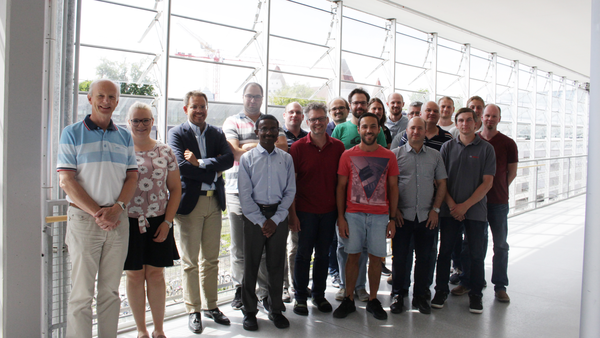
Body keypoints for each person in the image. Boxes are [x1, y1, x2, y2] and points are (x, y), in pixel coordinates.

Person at [57, 79, 138, 338]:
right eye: (101, 96)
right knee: (81, 294)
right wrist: (99, 213)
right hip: (85, 220)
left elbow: (132, 177)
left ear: (117, 101)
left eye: (112, 96)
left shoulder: (125, 136)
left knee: (110, 292)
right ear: (90, 99)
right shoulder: (72, 133)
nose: (106, 101)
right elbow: (66, 180)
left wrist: (118, 208)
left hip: (118, 220)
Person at [168, 91, 234, 334]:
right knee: (190, 262)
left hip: (214, 202)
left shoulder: (216, 133)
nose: (199, 110)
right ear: (186, 109)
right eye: (194, 106)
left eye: (203, 106)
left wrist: (201, 163)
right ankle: (193, 310)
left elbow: (228, 159)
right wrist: (209, 168)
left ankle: (211, 306)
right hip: (189, 205)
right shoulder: (177, 133)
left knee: (211, 259)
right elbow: (182, 167)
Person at [223, 82, 288, 311]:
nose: (253, 100)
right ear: (243, 97)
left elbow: (282, 147)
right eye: (249, 96)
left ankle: (264, 294)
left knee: (264, 252)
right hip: (236, 192)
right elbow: (235, 153)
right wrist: (250, 147)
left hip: (269, 198)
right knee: (241, 249)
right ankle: (242, 290)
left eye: (257, 96)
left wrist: (246, 145)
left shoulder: (270, 121)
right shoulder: (232, 121)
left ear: (262, 98)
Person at [332, 112, 399, 320]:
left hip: (380, 216)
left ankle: (372, 300)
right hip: (353, 215)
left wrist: (392, 219)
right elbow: (341, 187)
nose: (369, 130)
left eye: (373, 126)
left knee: (376, 259)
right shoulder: (347, 155)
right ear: (358, 129)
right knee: (352, 257)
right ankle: (349, 298)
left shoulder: (389, 155)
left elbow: (393, 187)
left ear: (379, 129)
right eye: (364, 127)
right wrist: (341, 217)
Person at [123, 102, 181, 338]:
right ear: (128, 123)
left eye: (145, 120)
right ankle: (141, 330)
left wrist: (167, 223)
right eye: (136, 120)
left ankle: (158, 330)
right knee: (134, 274)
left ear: (152, 121)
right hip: (128, 221)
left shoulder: (165, 151)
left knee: (156, 275)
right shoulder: (121, 151)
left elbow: (175, 189)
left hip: (159, 221)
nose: (141, 125)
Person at [431, 107, 496, 314]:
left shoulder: (486, 149)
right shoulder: (448, 148)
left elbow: (487, 183)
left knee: (476, 254)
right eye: (461, 120)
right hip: (450, 210)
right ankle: (440, 290)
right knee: (445, 252)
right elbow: (440, 181)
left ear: (476, 123)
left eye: (469, 120)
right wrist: (452, 205)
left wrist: (465, 206)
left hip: (475, 211)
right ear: (456, 123)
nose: (465, 124)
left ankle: (476, 294)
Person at [238, 114, 296, 331]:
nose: (269, 133)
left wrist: (277, 218)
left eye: (273, 129)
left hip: (278, 216)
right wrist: (262, 221)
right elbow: (244, 195)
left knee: (276, 265)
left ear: (278, 131)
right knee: (251, 265)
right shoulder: (248, 158)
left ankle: (275, 309)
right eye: (264, 129)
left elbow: (290, 191)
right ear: (257, 132)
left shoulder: (286, 158)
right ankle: (249, 311)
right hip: (254, 217)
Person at [288, 102, 345, 316]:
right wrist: (292, 215)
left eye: (321, 118)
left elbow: (342, 183)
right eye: (313, 119)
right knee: (303, 255)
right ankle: (300, 297)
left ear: (327, 120)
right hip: (305, 212)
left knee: (323, 255)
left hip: (329, 212)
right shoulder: (298, 148)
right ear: (307, 121)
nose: (318, 122)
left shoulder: (338, 147)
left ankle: (319, 296)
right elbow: (291, 185)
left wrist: (340, 214)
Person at [331, 88, 387, 303]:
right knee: (344, 246)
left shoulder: (376, 129)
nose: (359, 106)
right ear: (350, 105)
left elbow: (382, 160)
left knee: (363, 248)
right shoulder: (340, 129)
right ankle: (345, 285)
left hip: (371, 200)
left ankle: (361, 287)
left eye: (363, 102)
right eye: (356, 103)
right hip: (347, 201)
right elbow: (336, 162)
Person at [390, 117, 447, 315]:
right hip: (402, 216)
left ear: (425, 131)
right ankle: (398, 294)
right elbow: (390, 186)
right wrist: (394, 210)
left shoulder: (435, 155)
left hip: (426, 216)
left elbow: (442, 184)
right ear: (406, 131)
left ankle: (421, 295)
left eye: (419, 128)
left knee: (425, 258)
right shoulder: (394, 155)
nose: (416, 131)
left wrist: (436, 210)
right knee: (400, 259)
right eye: (412, 128)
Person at [479, 104, 518, 302]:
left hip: (498, 202)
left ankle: (500, 285)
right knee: (473, 243)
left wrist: (498, 186)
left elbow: (511, 172)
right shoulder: (474, 139)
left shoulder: (508, 143)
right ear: (482, 117)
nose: (490, 119)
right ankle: (471, 280)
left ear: (499, 119)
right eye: (487, 115)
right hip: (477, 203)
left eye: (494, 116)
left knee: (500, 245)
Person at [281, 101, 308, 303]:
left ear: (303, 117)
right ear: (284, 115)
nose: (295, 115)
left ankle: (297, 283)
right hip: (280, 196)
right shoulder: (278, 136)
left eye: (298, 112)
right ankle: (283, 286)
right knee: (281, 245)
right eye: (291, 112)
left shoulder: (308, 138)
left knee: (297, 245)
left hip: (301, 198)